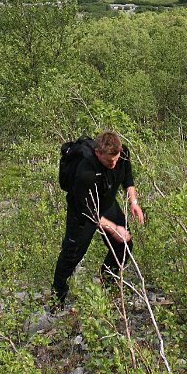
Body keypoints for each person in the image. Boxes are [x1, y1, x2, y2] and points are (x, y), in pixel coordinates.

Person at [52, 129, 145, 307]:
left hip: (107, 203)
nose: (114, 163)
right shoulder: (85, 171)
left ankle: (107, 281)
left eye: (116, 158)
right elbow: (88, 212)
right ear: (97, 153)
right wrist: (113, 228)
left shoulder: (122, 154)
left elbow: (128, 178)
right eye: (109, 160)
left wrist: (133, 202)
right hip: (82, 211)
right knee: (71, 256)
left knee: (124, 245)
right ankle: (57, 301)